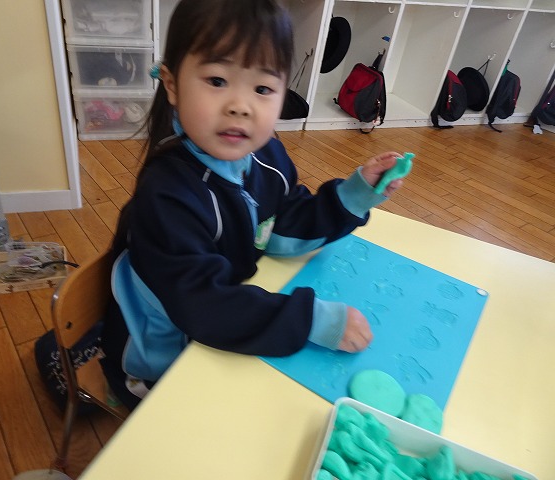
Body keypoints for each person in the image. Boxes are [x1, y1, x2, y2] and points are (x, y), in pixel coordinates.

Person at [100, 0, 406, 409]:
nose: (240, 106)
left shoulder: (266, 156)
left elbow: (284, 222)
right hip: (160, 363)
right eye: (217, 80)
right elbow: (205, 308)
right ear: (172, 84)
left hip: (222, 327)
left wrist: (354, 195)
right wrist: (311, 320)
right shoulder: (167, 196)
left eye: (262, 89)